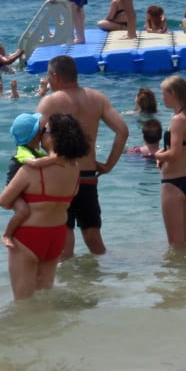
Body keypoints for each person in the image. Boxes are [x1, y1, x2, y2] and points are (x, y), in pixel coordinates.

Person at [36, 54, 129, 258]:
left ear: (56, 77)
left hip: (61, 176)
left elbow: (35, 136)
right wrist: (108, 165)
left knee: (65, 234)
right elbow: (123, 131)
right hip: (88, 175)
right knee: (92, 234)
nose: (48, 81)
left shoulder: (49, 101)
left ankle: (67, 278)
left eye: (49, 76)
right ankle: (108, 271)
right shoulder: (97, 98)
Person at [0, 113, 86, 300]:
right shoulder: (75, 168)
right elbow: (73, 195)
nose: (41, 134)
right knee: (45, 296)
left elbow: (4, 201)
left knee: (23, 302)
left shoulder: (32, 169)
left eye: (44, 130)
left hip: (29, 237)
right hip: (56, 236)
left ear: (54, 137)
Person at [155, 75, 186, 246]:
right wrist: (166, 152)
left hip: (173, 183)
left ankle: (181, 265)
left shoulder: (177, 120)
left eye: (163, 93)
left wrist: (157, 155)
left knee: (175, 243)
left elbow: (174, 153)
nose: (162, 98)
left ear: (173, 93)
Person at [1, 113, 55, 249]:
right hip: (13, 192)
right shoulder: (23, 151)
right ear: (35, 136)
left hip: (22, 189)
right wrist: (54, 158)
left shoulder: (34, 151)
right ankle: (7, 235)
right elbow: (34, 163)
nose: (43, 132)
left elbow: (43, 160)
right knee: (23, 211)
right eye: (41, 130)